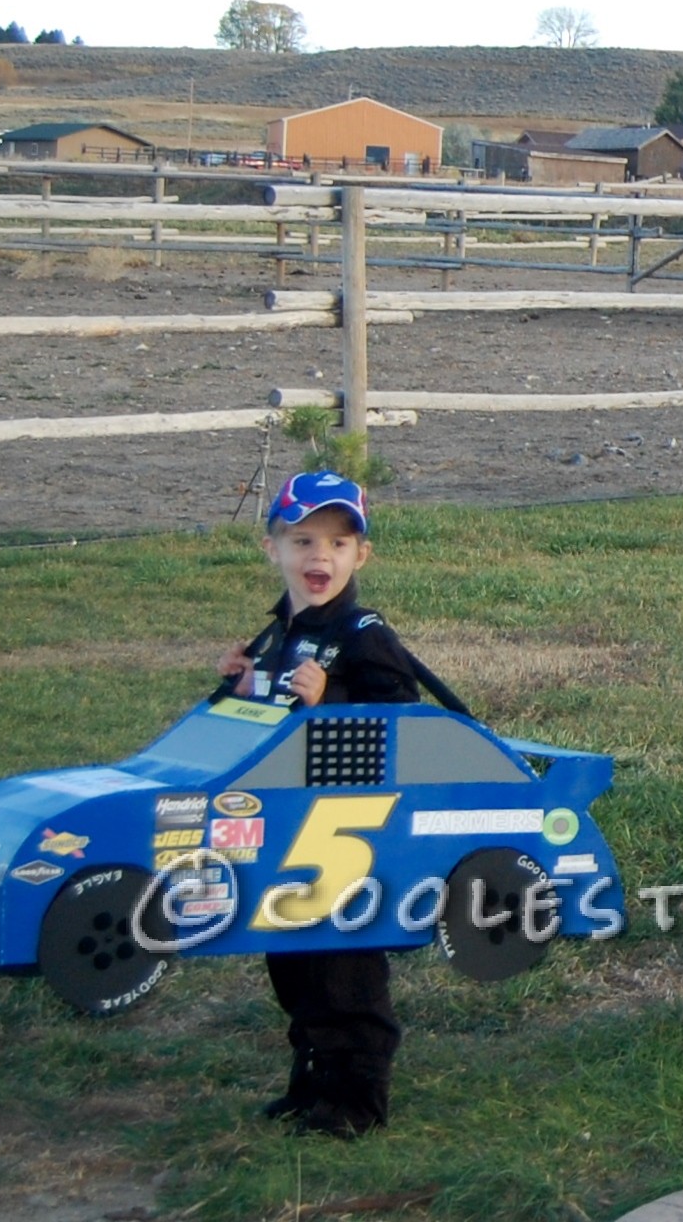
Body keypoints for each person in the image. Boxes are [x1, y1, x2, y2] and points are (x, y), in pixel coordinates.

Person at [215, 470, 424, 1136]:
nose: (319, 558)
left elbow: (404, 723)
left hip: (350, 830)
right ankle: (311, 1083)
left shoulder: (364, 634)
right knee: (292, 960)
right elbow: (257, 728)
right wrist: (236, 689)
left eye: (337, 544)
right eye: (302, 540)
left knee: (343, 966)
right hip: (289, 824)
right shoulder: (278, 632)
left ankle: (357, 1100)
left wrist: (328, 702)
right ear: (271, 548)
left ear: (360, 556)